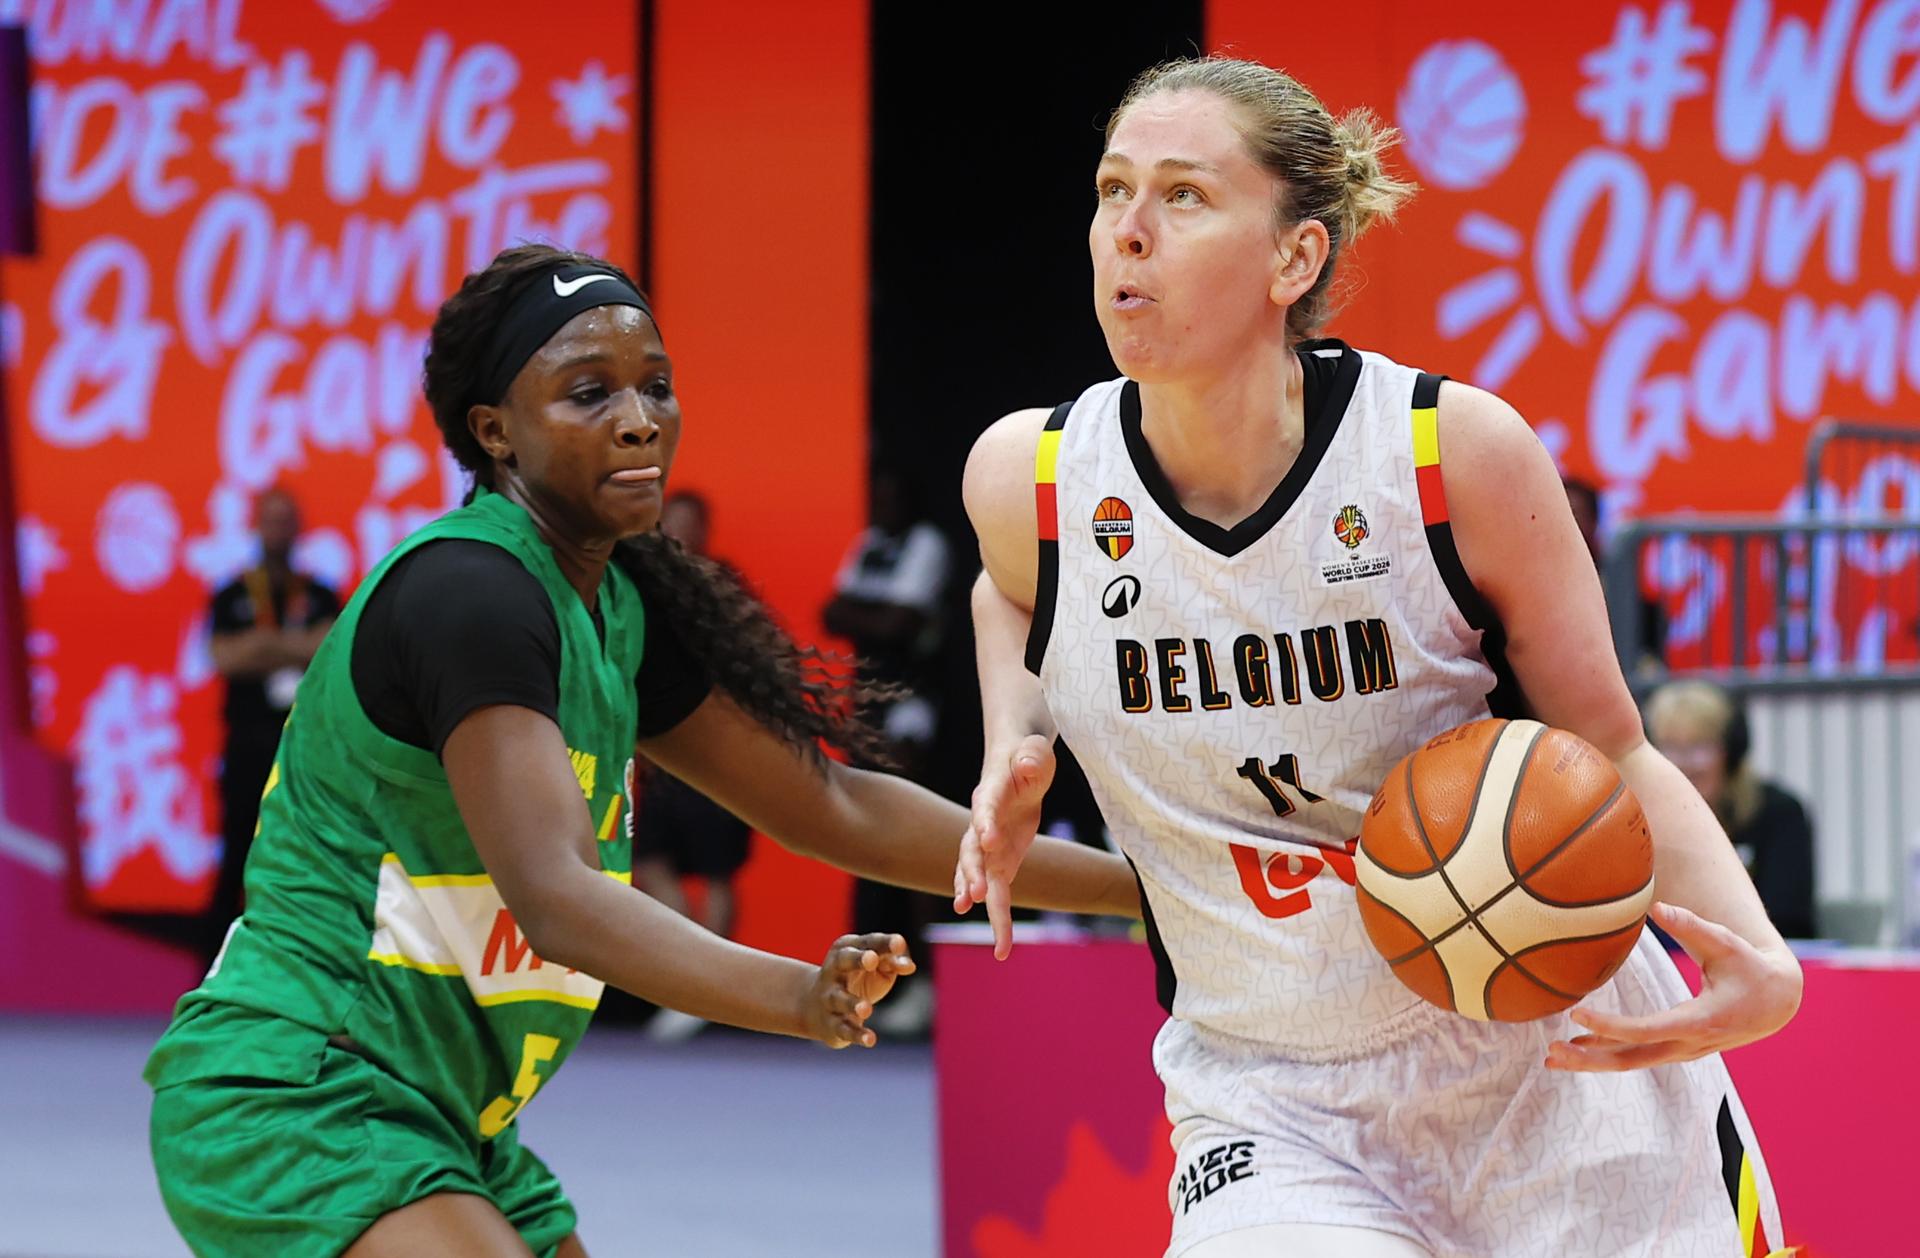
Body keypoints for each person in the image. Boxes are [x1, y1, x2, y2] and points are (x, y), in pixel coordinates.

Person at [956, 58, 1801, 1257]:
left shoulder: (1445, 456)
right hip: (1273, 1093)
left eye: (1184, 197)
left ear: (1294, 261)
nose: (1127, 233)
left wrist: (1762, 956)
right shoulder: (1027, 479)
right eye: (1112, 190)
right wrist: (1014, 736)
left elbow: (1610, 740)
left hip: (1555, 1064)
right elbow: (1011, 590)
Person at [144, 244, 1140, 1258]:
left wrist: (1147, 890)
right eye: (588, 392)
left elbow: (834, 807)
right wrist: (797, 995)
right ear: (496, 432)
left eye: (655, 386)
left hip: (453, 1118)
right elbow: (558, 898)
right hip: (304, 1088)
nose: (639, 418)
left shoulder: (617, 608)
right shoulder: (470, 597)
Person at [823, 465, 954, 1037]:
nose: (881, 505)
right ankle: (874, 979)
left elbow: (900, 621)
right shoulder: (872, 543)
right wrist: (874, 618)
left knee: (914, 841)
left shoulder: (927, 543)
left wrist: (868, 616)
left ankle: (929, 983)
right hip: (866, 710)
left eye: (891, 494)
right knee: (866, 841)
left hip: (912, 712)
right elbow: (830, 612)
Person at [625, 490, 754, 1041]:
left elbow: (749, 669)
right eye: (668, 525)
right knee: (648, 862)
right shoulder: (639, 586)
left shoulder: (724, 589)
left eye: (687, 525)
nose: (676, 534)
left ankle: (717, 992)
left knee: (717, 870)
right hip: (658, 756)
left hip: (718, 756)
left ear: (704, 530)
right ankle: (690, 981)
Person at [204, 487, 340, 965]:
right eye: (270, 519)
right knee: (234, 860)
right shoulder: (232, 593)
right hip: (247, 746)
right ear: (256, 525)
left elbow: (326, 653)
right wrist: (294, 643)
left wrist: (263, 644)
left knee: (306, 862)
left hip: (303, 749)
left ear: (298, 527)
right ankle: (212, 976)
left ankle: (303, 971)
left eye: (287, 519)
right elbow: (226, 657)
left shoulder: (321, 593)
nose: (278, 528)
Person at [1647, 680, 1817, 940]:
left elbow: (1788, 919)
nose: (1684, 763)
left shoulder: (1778, 813)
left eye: (1699, 746)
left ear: (1731, 752)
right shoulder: (1638, 820)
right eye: (1670, 746)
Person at [1563, 474, 1665, 673]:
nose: (1561, 524)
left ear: (1594, 521)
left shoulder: (1615, 578)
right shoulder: (1525, 579)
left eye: (1573, 514)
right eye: (1552, 515)